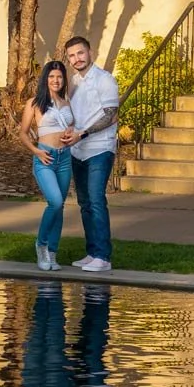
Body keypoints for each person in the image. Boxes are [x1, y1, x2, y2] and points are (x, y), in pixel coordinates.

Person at [61, 34, 119, 273]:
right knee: (84, 203)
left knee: (96, 201)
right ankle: (92, 252)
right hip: (77, 150)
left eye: (80, 53)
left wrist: (82, 133)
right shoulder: (72, 83)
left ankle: (103, 257)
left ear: (90, 52)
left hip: (100, 149)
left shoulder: (105, 80)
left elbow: (110, 115)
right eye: (72, 55)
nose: (77, 58)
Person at [19, 58, 75, 270]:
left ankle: (52, 253)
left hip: (65, 158)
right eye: (51, 76)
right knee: (55, 202)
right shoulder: (34, 103)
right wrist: (36, 151)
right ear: (45, 79)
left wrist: (71, 133)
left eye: (59, 76)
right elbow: (23, 134)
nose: (56, 80)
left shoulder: (68, 103)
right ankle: (41, 246)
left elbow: (70, 128)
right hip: (46, 158)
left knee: (60, 208)